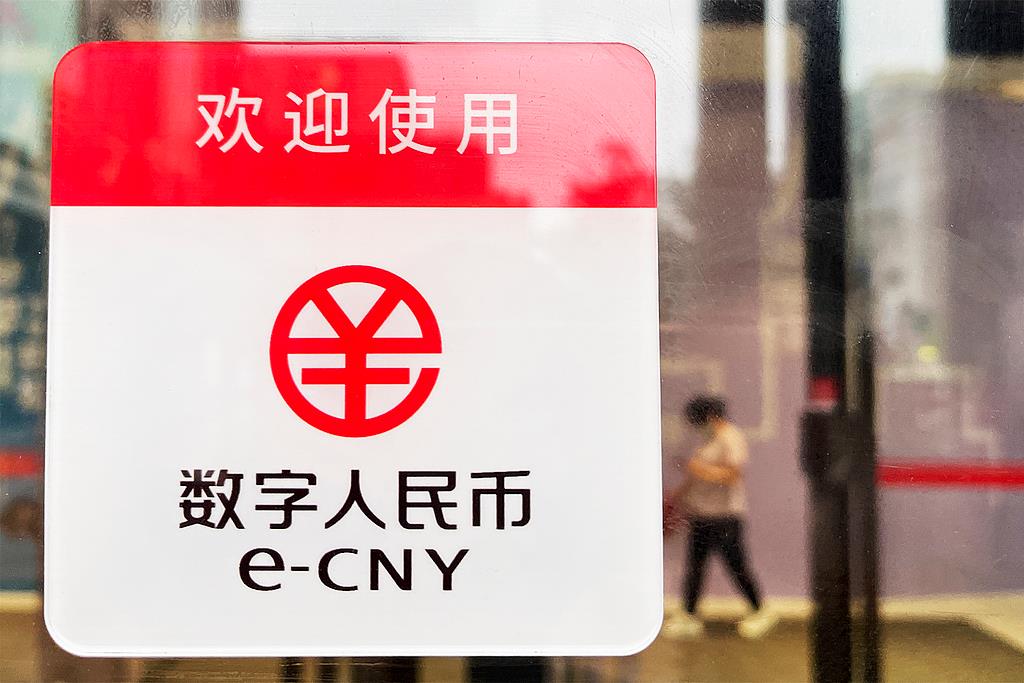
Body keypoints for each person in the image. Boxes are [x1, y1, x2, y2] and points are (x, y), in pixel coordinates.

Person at [663, 395, 777, 639]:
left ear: (709, 416)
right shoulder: (709, 440)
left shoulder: (731, 437)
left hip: (725, 516)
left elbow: (733, 475)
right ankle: (689, 614)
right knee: (695, 568)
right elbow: (694, 478)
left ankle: (760, 611)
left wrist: (698, 469)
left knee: (737, 567)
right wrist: (675, 497)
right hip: (702, 515)